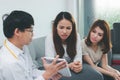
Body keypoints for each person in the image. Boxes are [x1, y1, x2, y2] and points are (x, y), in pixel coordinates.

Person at [0, 10, 66, 80]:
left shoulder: (23, 47)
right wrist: (46, 76)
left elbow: (31, 72)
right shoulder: (10, 62)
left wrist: (50, 74)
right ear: (17, 32)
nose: (33, 34)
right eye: (30, 31)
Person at [45, 11, 104, 80]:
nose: (64, 31)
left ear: (72, 28)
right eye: (61, 27)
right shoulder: (50, 38)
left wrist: (78, 65)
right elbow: (50, 65)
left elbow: (78, 57)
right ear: (56, 27)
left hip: (72, 67)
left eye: (68, 28)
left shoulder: (76, 36)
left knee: (97, 76)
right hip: (56, 70)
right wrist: (69, 66)